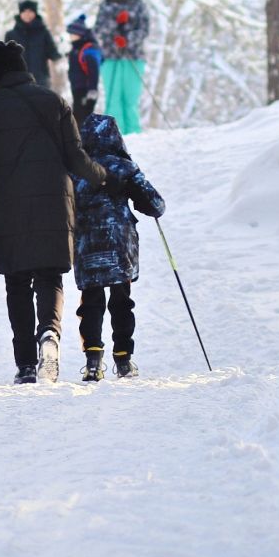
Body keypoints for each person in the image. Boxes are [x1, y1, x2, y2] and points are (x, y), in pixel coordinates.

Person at [0, 40, 107, 384]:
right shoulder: (54, 102)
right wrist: (101, 177)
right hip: (53, 198)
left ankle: (25, 365)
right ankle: (49, 333)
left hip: (7, 201)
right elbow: (75, 156)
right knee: (49, 276)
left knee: (17, 282)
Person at [71, 113, 165, 381]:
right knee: (122, 301)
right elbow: (155, 204)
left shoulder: (75, 169)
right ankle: (123, 360)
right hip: (119, 245)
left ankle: (92, 361)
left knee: (91, 302)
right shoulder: (124, 167)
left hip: (86, 244)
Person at [93, 0, 151, 134]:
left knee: (130, 98)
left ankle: (134, 134)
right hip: (110, 57)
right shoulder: (105, 5)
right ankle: (114, 136)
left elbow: (144, 29)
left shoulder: (139, 5)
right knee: (112, 98)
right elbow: (99, 29)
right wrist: (115, 26)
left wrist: (127, 39)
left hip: (133, 57)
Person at [4, 0, 62, 90]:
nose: (27, 14)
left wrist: (63, 49)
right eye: (24, 11)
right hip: (17, 82)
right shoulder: (11, 35)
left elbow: (53, 53)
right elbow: (5, 59)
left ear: (35, 13)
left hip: (40, 81)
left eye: (30, 11)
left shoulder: (44, 33)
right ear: (20, 14)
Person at [65, 14, 102, 123]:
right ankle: (81, 139)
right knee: (77, 117)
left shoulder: (88, 49)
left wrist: (92, 90)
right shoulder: (77, 48)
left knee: (82, 119)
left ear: (79, 34)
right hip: (77, 88)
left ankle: (84, 139)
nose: (70, 36)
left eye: (73, 33)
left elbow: (93, 71)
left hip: (85, 90)